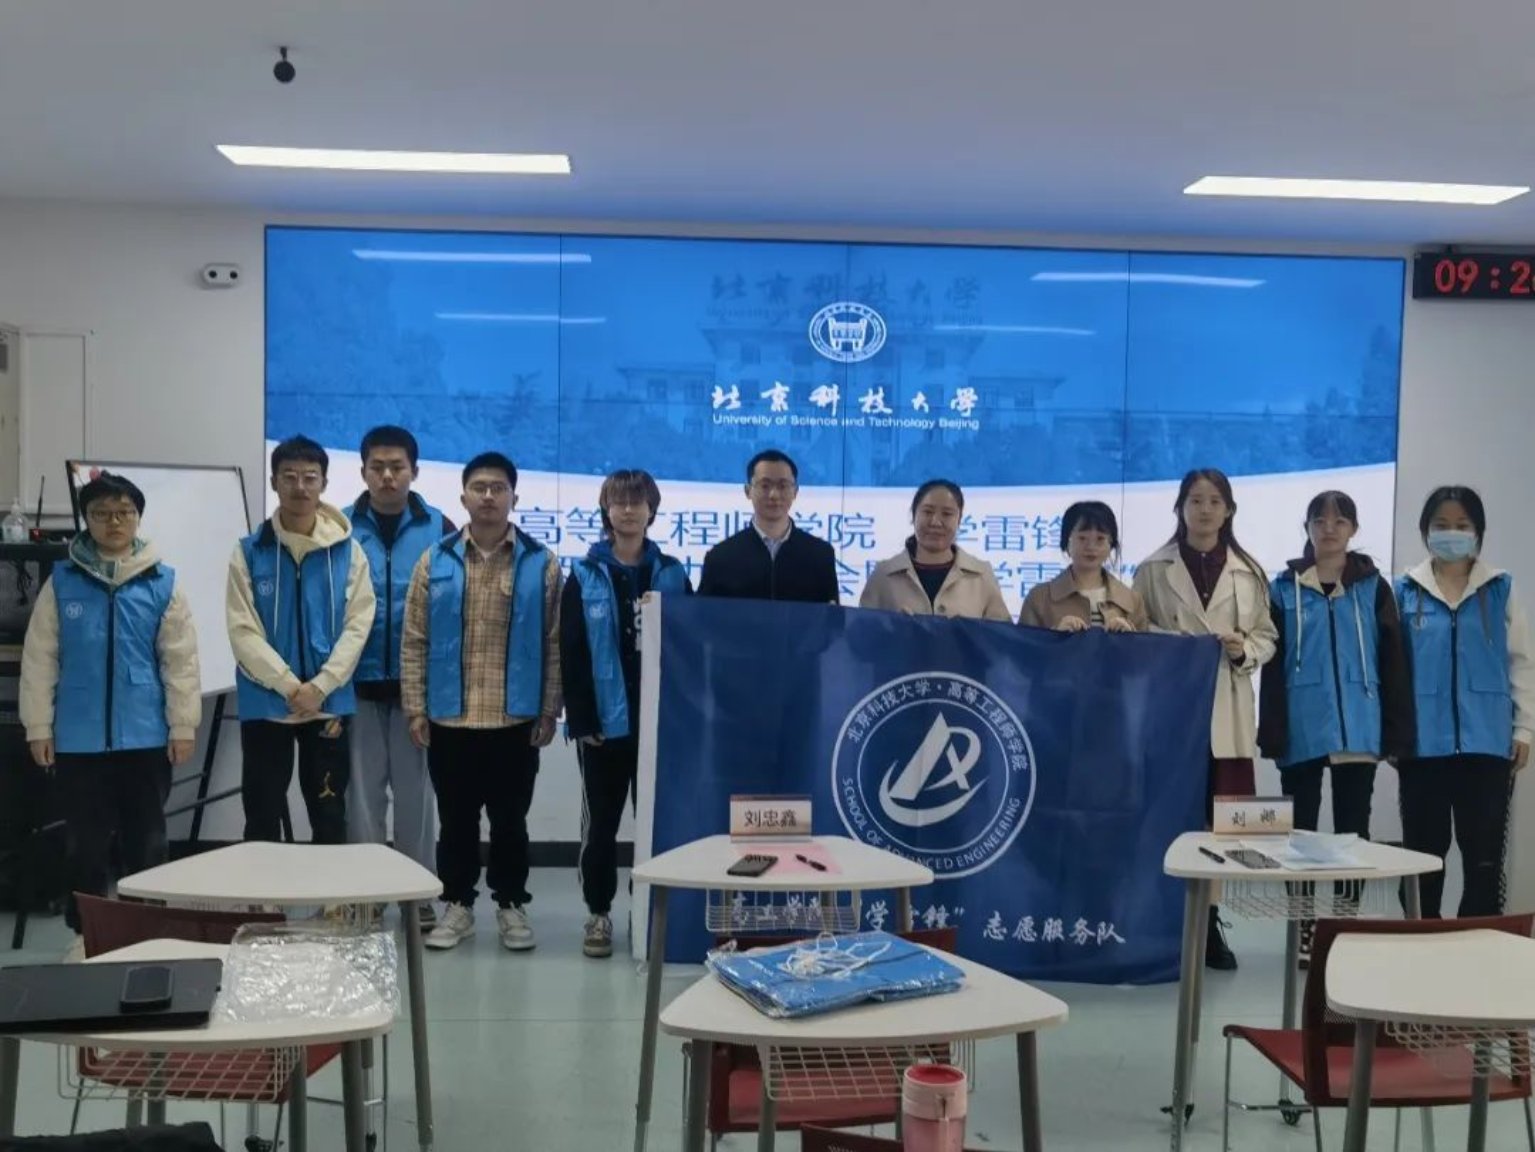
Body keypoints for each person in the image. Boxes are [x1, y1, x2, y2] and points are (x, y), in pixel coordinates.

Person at [20, 472, 200, 940]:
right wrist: (38, 727)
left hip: (145, 736)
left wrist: (183, 726)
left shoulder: (162, 582)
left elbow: (180, 661)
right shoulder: (62, 582)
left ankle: (149, 929)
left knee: (148, 841)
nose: (114, 522)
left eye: (124, 512)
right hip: (78, 739)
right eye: (101, 513)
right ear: (86, 520)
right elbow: (40, 659)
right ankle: (89, 934)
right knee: (85, 845)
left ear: (138, 518)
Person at [402, 451, 562, 953]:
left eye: (498, 488)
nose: (489, 496)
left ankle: (511, 904)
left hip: (515, 718)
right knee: (456, 822)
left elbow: (554, 642)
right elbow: (415, 638)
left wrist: (550, 708)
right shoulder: (435, 559)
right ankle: (458, 905)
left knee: (511, 822)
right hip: (451, 716)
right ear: (463, 496)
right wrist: (415, 707)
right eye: (479, 487)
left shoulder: (542, 563)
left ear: (514, 497)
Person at [1257, 490, 1414, 963]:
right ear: (1306, 527)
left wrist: (1395, 731)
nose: (1329, 528)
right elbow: (1272, 667)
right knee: (1300, 834)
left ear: (1353, 529)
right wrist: (1273, 730)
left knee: (1352, 832)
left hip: (1359, 725)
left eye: (1340, 520)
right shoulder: (1283, 588)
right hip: (1302, 726)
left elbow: (1393, 661)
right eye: (1320, 520)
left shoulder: (1373, 587)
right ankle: (1304, 925)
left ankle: (1345, 921)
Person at [1134, 468, 1276, 970]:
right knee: (1167, 816)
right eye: (1195, 500)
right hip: (1171, 707)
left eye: (1215, 501)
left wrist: (1242, 650)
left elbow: (1267, 636)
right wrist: (1175, 647)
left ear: (1229, 509)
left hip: (1226, 709)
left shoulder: (1249, 571)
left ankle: (1211, 921)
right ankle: (1161, 919)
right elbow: (1136, 631)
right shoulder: (1153, 568)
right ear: (1180, 508)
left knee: (1221, 824)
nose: (1205, 509)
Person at [560, 469, 691, 958]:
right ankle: (598, 912)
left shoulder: (673, 574)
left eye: (638, 502)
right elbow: (571, 652)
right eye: (620, 502)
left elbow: (690, 649)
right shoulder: (585, 574)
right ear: (606, 510)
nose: (629, 511)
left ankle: (649, 911)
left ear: (652, 510)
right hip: (604, 728)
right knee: (601, 827)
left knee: (656, 827)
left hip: (659, 725)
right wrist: (583, 721)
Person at [227, 435, 375, 845]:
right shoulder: (249, 551)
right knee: (261, 815)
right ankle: (264, 890)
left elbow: (358, 625)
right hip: (267, 703)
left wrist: (321, 686)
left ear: (324, 483)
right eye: (289, 476)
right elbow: (242, 630)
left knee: (329, 814)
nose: (300, 487)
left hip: (327, 704)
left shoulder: (348, 552)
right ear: (273, 482)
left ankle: (329, 891)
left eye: (310, 477)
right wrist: (290, 686)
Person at [1394, 486, 1534, 919]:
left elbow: (1522, 662)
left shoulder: (1500, 588)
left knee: (1483, 858)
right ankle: (1422, 937)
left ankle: (1477, 939)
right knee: (1423, 855)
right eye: (1441, 525)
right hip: (1422, 747)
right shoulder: (1405, 590)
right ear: (1425, 531)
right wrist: (1393, 734)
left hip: (1487, 746)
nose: (1451, 533)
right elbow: (1392, 671)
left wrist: (1525, 728)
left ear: (1478, 532)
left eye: (1461, 525)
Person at [345, 425, 454, 928]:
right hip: (357, 686)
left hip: (418, 692)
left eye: (397, 467)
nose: (387, 476)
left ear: (415, 471)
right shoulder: (339, 527)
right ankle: (366, 894)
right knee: (363, 799)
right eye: (378, 467)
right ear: (363, 471)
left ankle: (418, 895)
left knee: (417, 800)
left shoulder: (441, 529)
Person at [697, 449, 839, 603]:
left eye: (783, 486)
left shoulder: (820, 555)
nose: (774, 495)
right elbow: (704, 615)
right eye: (765, 486)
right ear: (748, 491)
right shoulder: (720, 558)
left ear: (795, 491)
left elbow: (833, 615)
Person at [859, 479, 1010, 620]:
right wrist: (893, 628)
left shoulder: (981, 575)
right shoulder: (883, 574)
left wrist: (968, 632)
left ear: (959, 520)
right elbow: (862, 633)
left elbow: (1002, 635)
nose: (936, 522)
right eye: (928, 512)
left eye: (947, 514)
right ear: (913, 515)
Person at [1019, 500, 1147, 632]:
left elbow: (1147, 644)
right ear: (1066, 542)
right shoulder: (1039, 599)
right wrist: (1055, 636)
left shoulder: (1132, 600)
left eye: (1100, 539)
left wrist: (1130, 637)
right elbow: (1023, 643)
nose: (1091, 547)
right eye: (1082, 538)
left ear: (1111, 545)